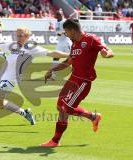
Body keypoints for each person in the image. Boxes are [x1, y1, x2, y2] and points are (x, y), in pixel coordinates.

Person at [40, 19, 114, 147]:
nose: (66, 35)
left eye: (66, 32)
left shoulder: (91, 39)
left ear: (72, 30)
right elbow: (68, 61)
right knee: (60, 106)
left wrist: (106, 53)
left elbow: (107, 50)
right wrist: (52, 70)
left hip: (83, 82)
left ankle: (55, 141)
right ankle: (93, 117)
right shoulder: (74, 44)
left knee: (65, 109)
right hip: (72, 79)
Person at [51, 11, 72, 80]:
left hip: (66, 42)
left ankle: (75, 73)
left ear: (61, 15)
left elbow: (69, 30)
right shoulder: (56, 22)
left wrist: (62, 33)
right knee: (55, 57)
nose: (56, 15)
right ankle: (53, 75)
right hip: (60, 42)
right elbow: (57, 32)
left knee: (72, 58)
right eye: (56, 14)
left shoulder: (64, 22)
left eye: (58, 14)